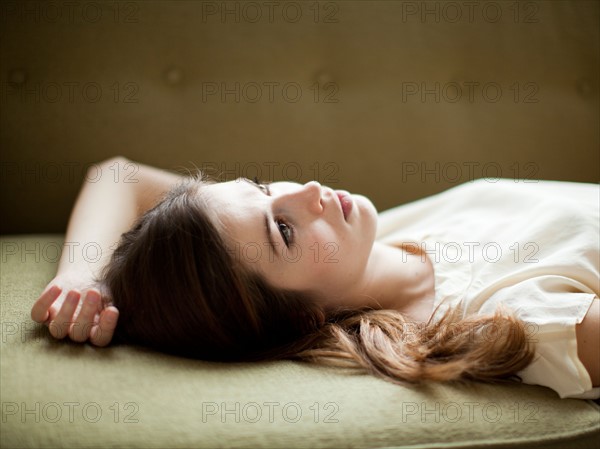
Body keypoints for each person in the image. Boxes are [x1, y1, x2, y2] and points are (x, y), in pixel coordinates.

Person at [30, 156, 599, 399]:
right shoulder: (509, 319)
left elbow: (119, 176)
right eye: (283, 230)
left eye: (260, 185)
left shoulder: (368, 243)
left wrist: (86, 276)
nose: (305, 192)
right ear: (302, 314)